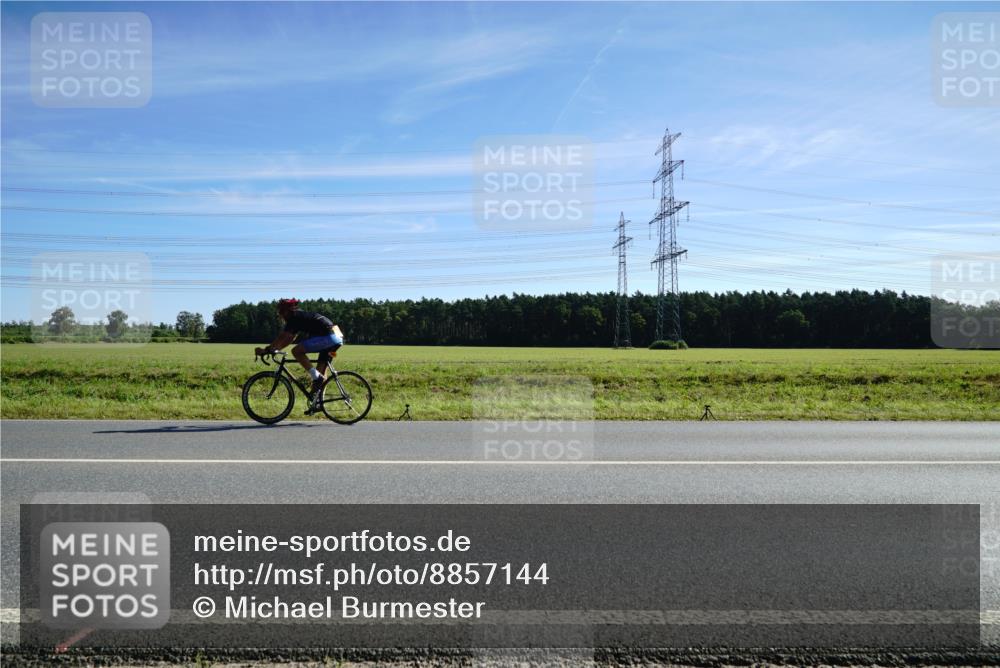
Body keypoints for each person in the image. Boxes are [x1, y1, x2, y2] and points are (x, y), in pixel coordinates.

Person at [255, 298, 343, 397]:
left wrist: (267, 349)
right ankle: (318, 400)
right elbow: (290, 338)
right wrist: (275, 349)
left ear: (286, 311)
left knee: (296, 351)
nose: (280, 315)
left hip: (329, 337)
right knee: (320, 372)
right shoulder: (299, 316)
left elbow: (283, 337)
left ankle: (317, 379)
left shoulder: (293, 318)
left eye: (281, 312)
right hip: (337, 337)